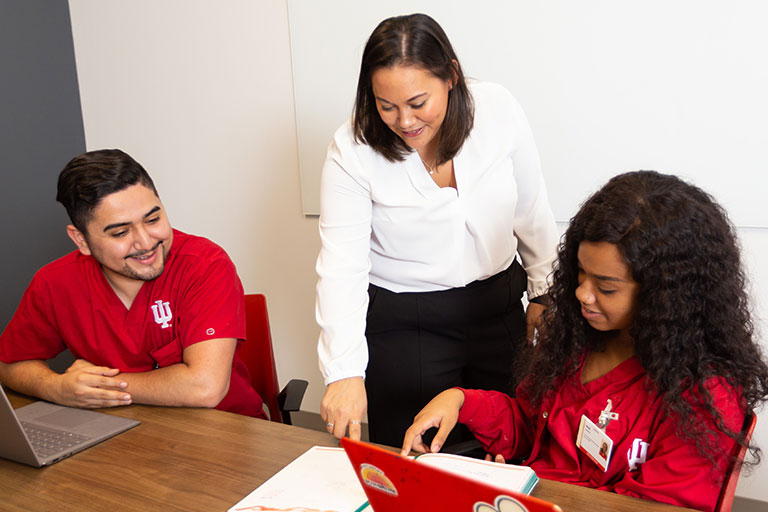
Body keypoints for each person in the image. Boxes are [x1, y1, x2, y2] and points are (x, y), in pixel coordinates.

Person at [401, 171, 768, 511]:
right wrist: (462, 401)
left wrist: (534, 495)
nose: (582, 294)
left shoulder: (705, 395)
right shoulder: (575, 340)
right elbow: (531, 429)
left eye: (605, 287)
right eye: (581, 273)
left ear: (667, 294)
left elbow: (653, 507)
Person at [316, 13, 559, 446]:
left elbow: (530, 207)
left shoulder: (497, 110)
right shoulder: (352, 149)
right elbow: (342, 266)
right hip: (408, 327)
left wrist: (544, 291)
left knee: (511, 447)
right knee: (418, 462)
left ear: (451, 75)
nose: (404, 121)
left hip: (497, 310)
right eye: (385, 105)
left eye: (417, 103)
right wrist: (344, 372)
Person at [0, 149, 266, 419]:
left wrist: (96, 388)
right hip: (118, 436)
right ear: (81, 240)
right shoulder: (55, 282)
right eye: (121, 232)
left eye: (153, 219)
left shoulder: (204, 264)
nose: (146, 242)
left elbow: (205, 387)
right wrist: (54, 387)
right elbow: (10, 364)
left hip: (224, 431)